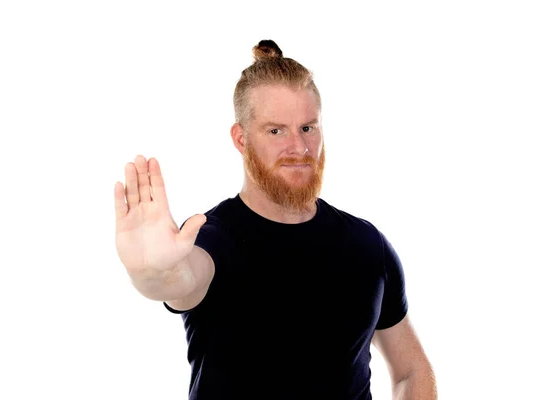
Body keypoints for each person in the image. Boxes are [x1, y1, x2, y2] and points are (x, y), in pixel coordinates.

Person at [114, 39, 437, 400]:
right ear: (241, 139)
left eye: (307, 128)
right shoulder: (212, 240)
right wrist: (151, 272)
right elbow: (180, 279)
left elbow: (411, 370)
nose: (298, 149)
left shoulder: (366, 244)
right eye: (275, 131)